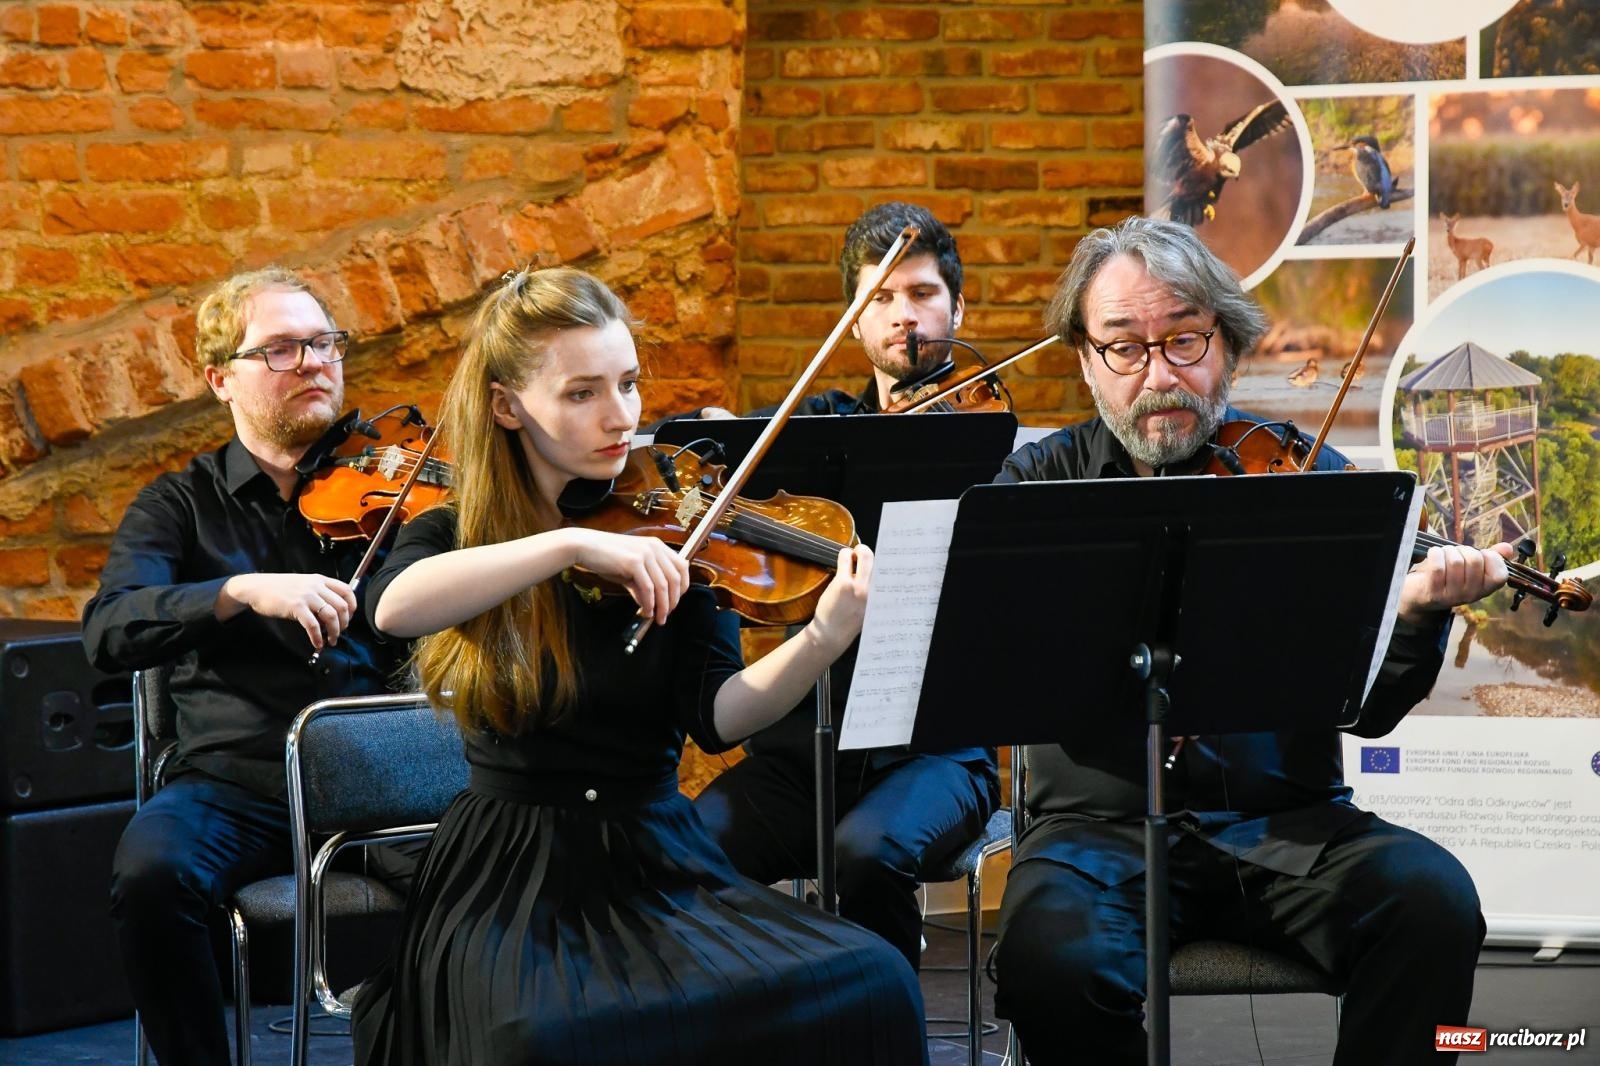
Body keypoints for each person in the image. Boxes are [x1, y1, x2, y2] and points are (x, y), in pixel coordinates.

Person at [349, 265, 928, 1066]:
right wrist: (570, 543)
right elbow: (393, 606)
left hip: (657, 852)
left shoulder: (673, 528)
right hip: (514, 870)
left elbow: (719, 716)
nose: (621, 416)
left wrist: (823, 639)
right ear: (506, 405)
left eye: (627, 384)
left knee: (876, 979)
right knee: (542, 1040)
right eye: (582, 393)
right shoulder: (463, 530)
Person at [989, 215, 1511, 1066]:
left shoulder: (1310, 481)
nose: (1157, 374)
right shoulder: (1037, 487)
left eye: (1185, 340)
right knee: (1053, 965)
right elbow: (1004, 670)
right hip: (1097, 836)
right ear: (1086, 359)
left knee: (1432, 904)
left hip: (1288, 828)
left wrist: (1416, 614)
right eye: (1124, 347)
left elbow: (1370, 715)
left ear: (1227, 346)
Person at [83, 267, 408, 1066]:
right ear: (219, 377)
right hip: (242, 786)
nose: (315, 363)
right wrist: (237, 590)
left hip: (385, 780)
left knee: (519, 846)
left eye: (325, 344)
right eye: (284, 349)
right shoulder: (178, 506)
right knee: (153, 874)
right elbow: (110, 629)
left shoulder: (393, 490)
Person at [686, 202, 1002, 970]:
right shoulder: (813, 437)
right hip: (803, 752)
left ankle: (878, 1029)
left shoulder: (990, 442)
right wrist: (717, 440)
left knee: (863, 854)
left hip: (937, 754)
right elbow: (701, 449)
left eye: (923, 293)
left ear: (957, 307)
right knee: (689, 849)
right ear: (854, 323)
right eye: (880, 300)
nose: (903, 315)